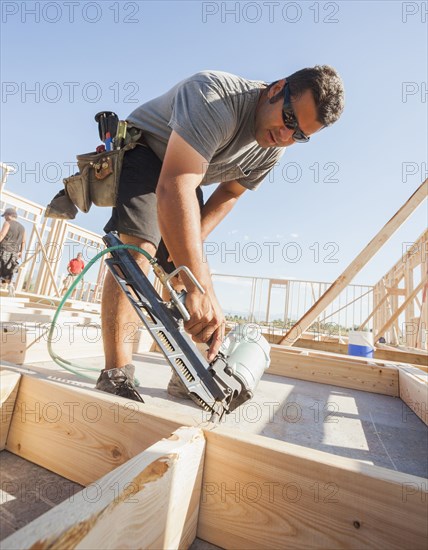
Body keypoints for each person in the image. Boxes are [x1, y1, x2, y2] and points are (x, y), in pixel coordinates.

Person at [96, 67, 345, 402]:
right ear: (277, 89)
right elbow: (174, 184)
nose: (286, 135)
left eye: (299, 135)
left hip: (190, 175)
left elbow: (229, 194)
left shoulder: (274, 147)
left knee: (183, 275)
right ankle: (116, 372)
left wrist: (190, 260)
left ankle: (191, 373)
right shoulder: (214, 96)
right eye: (288, 118)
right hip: (149, 150)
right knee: (137, 251)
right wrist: (201, 284)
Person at [0, 208, 26, 296]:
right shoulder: (23, 228)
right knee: (7, 271)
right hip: (14, 252)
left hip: (4, 249)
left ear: (9, 215)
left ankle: (5, 283)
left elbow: (2, 235)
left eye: (5, 216)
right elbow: (23, 241)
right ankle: (10, 285)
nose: (4, 218)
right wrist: (21, 252)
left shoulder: (8, 223)